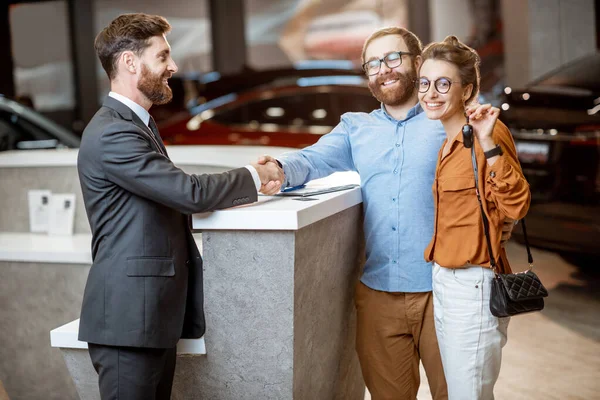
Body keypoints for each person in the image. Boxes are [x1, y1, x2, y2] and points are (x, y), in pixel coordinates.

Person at [77, 13, 283, 399]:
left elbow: (169, 198)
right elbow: (187, 192)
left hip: (149, 319)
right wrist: (255, 176)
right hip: (127, 323)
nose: (173, 67)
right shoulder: (113, 132)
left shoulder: (139, 124)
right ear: (129, 62)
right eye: (163, 56)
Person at [260, 27, 451, 400]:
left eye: (393, 58)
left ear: (417, 62)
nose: (384, 69)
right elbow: (312, 158)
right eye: (373, 64)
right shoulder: (356, 128)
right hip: (380, 296)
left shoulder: (448, 123)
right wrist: (277, 169)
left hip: (444, 289)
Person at [417, 36, 530, 399]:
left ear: (467, 90)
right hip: (445, 281)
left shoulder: (488, 133)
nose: (431, 93)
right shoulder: (449, 141)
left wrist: (489, 144)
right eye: (425, 83)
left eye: (443, 83)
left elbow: (517, 204)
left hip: (474, 285)